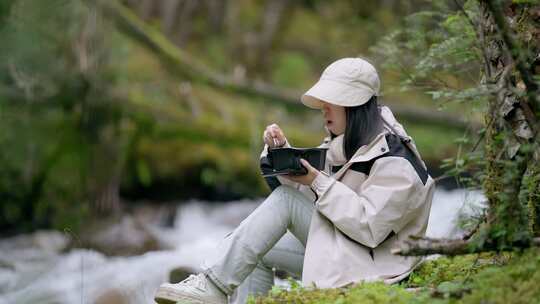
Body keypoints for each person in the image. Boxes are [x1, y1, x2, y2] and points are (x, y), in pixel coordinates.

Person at [154, 58, 436, 304]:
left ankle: (213, 287)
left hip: (378, 268)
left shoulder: (396, 160)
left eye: (330, 102)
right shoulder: (347, 142)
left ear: (353, 104)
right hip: (346, 251)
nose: (323, 109)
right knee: (254, 249)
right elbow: (316, 201)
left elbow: (368, 227)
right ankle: (214, 288)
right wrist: (282, 156)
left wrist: (317, 181)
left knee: (285, 202)